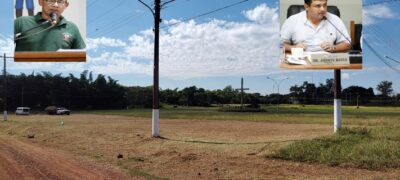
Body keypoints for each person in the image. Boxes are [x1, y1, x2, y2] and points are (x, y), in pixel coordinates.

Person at [280, 0, 351, 53]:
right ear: (307, 6)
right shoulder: (292, 20)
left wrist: (334, 48)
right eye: (318, 6)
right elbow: (280, 44)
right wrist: (294, 48)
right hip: (301, 61)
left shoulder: (334, 19)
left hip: (327, 61)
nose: (323, 9)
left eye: (325, 5)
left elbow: (347, 43)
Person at [14, 0, 85, 52]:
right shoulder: (21, 22)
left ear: (66, 5)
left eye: (60, 1)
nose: (55, 5)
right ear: (40, 2)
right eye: (51, 0)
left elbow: (82, 55)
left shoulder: (72, 28)